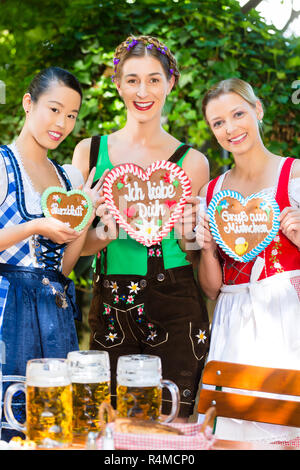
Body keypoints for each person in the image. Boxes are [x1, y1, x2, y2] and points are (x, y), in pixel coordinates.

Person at [72, 35, 210, 421]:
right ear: (117, 84)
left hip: (177, 304)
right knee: (111, 426)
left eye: (153, 79)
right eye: (132, 80)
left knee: (172, 427)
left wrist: (191, 237)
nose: (143, 90)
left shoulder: (192, 161)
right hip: (112, 299)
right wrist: (100, 236)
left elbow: (195, 253)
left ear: (171, 83)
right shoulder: (90, 152)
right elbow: (74, 246)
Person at [196, 77, 300, 441]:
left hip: (287, 317)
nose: (230, 128)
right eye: (218, 122)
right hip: (232, 322)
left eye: (238, 113)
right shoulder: (212, 192)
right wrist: (208, 250)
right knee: (233, 436)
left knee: (287, 430)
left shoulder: (294, 174)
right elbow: (211, 289)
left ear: (257, 110)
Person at [0, 67, 101, 440]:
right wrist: (34, 226)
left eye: (71, 115)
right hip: (8, 310)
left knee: (54, 427)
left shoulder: (69, 179)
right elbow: (36, 235)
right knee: (11, 420)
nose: (62, 123)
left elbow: (65, 264)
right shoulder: (3, 164)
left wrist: (96, 223)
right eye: (54, 110)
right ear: (29, 103)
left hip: (55, 312)